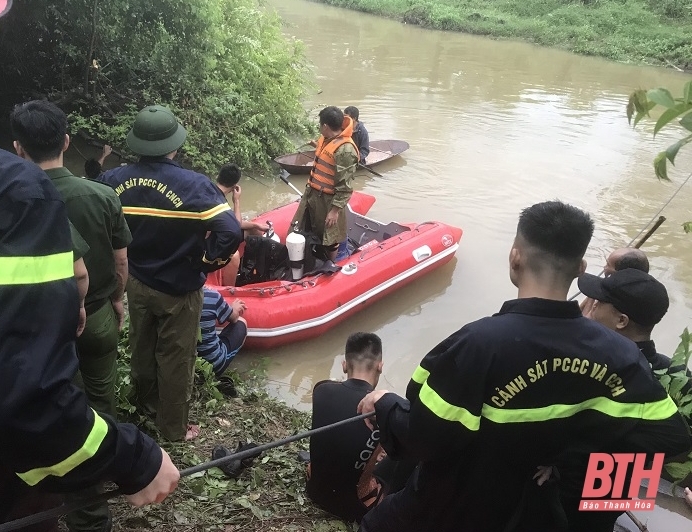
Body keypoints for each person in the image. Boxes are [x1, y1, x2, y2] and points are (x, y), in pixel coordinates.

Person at [0, 2, 180, 531]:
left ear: (20, 144)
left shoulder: (19, 188)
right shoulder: (5, 194)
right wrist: (133, 458)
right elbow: (22, 404)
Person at [356, 200, 691, 532]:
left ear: (515, 257)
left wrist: (384, 402)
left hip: (461, 504)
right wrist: (565, 454)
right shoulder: (624, 357)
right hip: (533, 506)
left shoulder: (477, 344)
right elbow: (672, 438)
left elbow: (423, 437)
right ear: (580, 268)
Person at [10, 99, 135, 532]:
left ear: (18, 148)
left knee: (52, 413)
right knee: (100, 408)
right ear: (66, 141)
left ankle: (51, 502)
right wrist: (116, 299)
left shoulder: (11, 201)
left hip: (39, 330)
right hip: (98, 315)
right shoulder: (101, 195)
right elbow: (121, 264)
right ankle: (98, 503)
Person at [99, 104, 242, 442]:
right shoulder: (195, 186)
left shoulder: (112, 180)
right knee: (176, 359)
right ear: (174, 145)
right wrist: (207, 261)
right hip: (179, 288)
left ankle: (145, 408)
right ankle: (174, 430)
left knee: (142, 348)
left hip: (135, 281)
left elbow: (98, 218)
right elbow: (231, 232)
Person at [307, 333, 384, 522]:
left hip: (314, 491)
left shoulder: (321, 389)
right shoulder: (385, 409)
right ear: (380, 366)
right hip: (355, 508)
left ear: (343, 365)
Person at [579, 268, 691, 390]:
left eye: (600, 301)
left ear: (621, 321)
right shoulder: (678, 375)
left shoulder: (588, 368)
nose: (594, 305)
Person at [290, 106, 358, 262]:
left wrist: (334, 211)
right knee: (303, 226)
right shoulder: (325, 139)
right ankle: (311, 256)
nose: (319, 127)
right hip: (313, 194)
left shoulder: (346, 150)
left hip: (329, 199)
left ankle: (331, 265)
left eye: (320, 124)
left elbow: (345, 186)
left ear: (325, 126)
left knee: (330, 236)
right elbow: (325, 154)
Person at [212, 163, 269, 286]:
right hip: (207, 242)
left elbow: (231, 222)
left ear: (218, 176)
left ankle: (251, 268)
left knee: (255, 231)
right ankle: (229, 290)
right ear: (234, 186)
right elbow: (235, 227)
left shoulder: (211, 190)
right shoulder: (219, 203)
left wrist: (256, 226)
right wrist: (236, 201)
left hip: (217, 232)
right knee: (234, 256)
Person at [579, 247, 649, 316]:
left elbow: (583, 323)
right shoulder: (643, 299)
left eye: (608, 264)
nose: (604, 267)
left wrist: (592, 297)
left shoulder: (615, 305)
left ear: (620, 275)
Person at [197, 287, 247, 376]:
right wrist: (233, 308)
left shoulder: (166, 297)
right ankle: (220, 374)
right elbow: (234, 317)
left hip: (181, 363)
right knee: (241, 322)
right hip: (211, 365)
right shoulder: (212, 295)